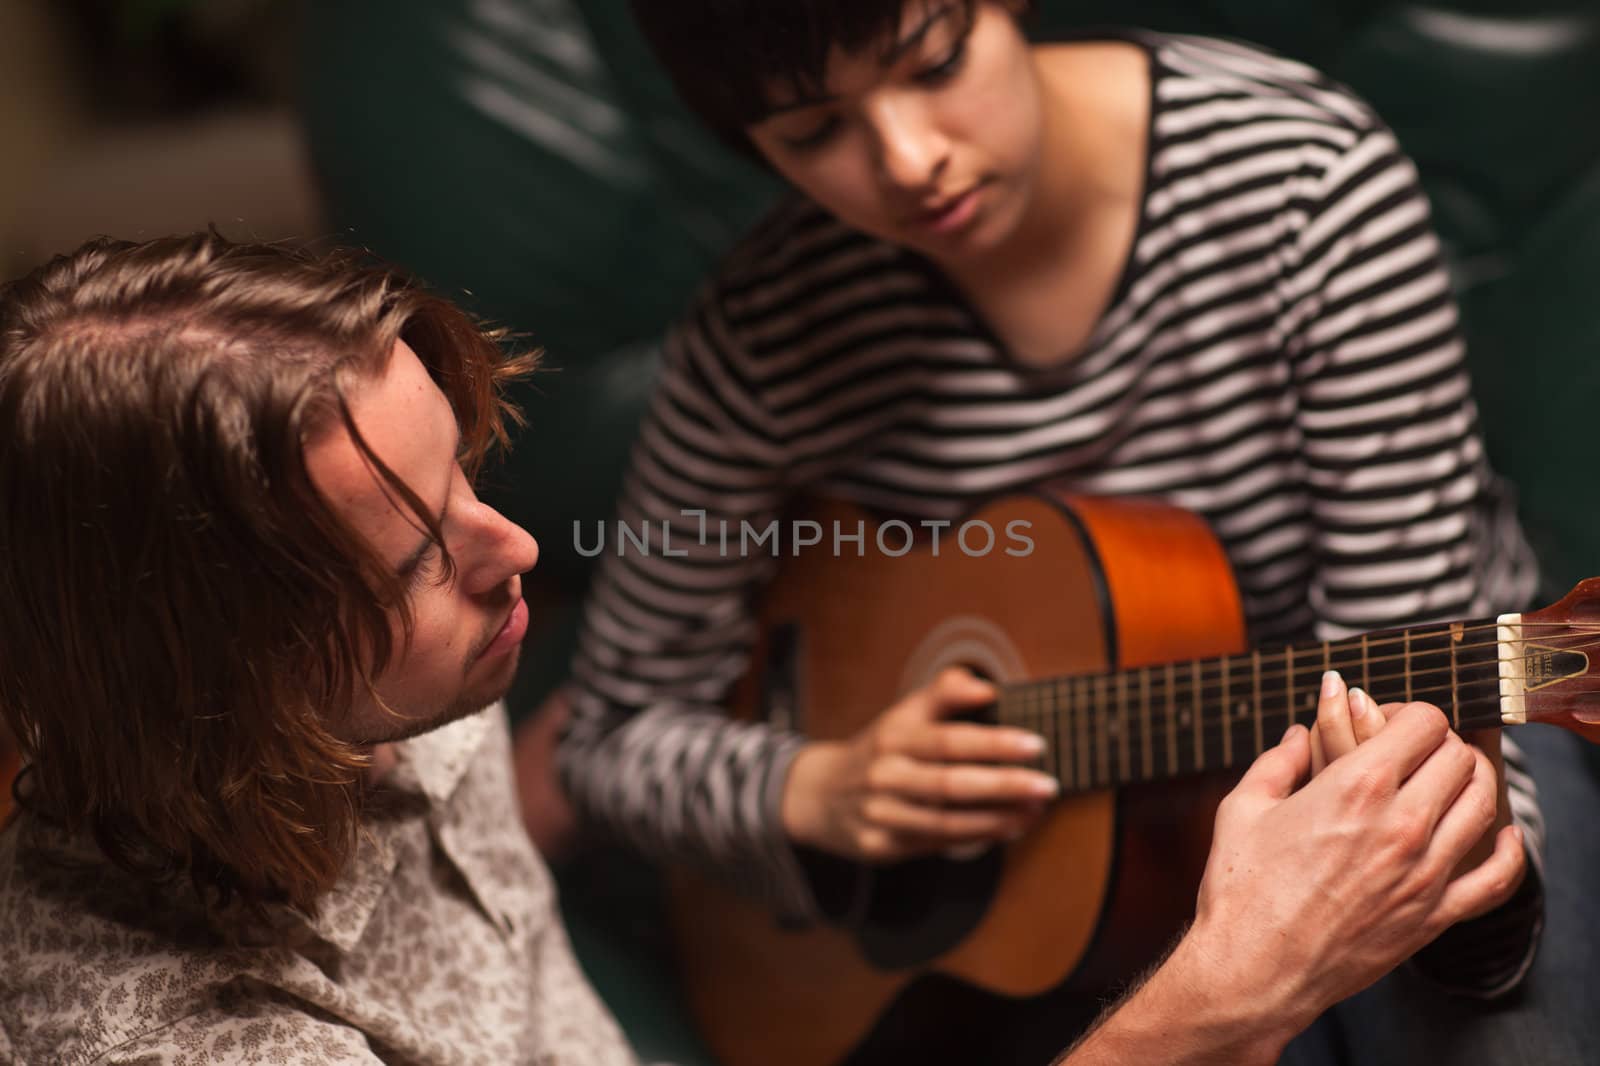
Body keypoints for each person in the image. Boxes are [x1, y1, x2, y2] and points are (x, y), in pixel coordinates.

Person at [0, 233, 1530, 1065]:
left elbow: (549, 777)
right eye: (419, 554)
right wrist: (1224, 996)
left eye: (471, 470)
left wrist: (791, 769)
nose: (517, 546)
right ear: (218, 688)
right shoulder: (191, 1041)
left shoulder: (408, 701)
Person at [549, 0, 1552, 1060]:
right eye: (812, 132)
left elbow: (1406, 747)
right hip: (1028, 941)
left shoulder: (1303, 182)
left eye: (933, 63)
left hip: (1374, 797)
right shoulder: (764, 337)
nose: (909, 159)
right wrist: (819, 788)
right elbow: (609, 732)